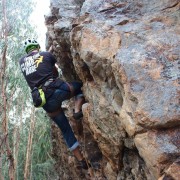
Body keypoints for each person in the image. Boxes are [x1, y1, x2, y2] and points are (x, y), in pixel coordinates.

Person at [19, 38, 90, 169]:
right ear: (37, 47)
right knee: (80, 86)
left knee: (65, 130)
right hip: (59, 90)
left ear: (27, 51)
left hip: (46, 103)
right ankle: (77, 109)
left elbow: (35, 68)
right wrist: (49, 53)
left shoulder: (21, 62)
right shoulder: (45, 55)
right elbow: (54, 71)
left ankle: (81, 160)